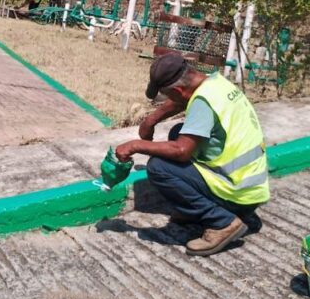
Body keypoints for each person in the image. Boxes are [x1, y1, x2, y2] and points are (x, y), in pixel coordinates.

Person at [115, 53, 270, 256]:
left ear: (179, 89)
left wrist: (136, 145)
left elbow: (181, 151)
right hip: (251, 188)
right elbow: (181, 101)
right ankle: (198, 207)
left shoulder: (202, 103)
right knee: (177, 133)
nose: (170, 100)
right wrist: (150, 121)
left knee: (159, 167)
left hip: (238, 194)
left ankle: (222, 222)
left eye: (169, 95)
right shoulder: (216, 83)